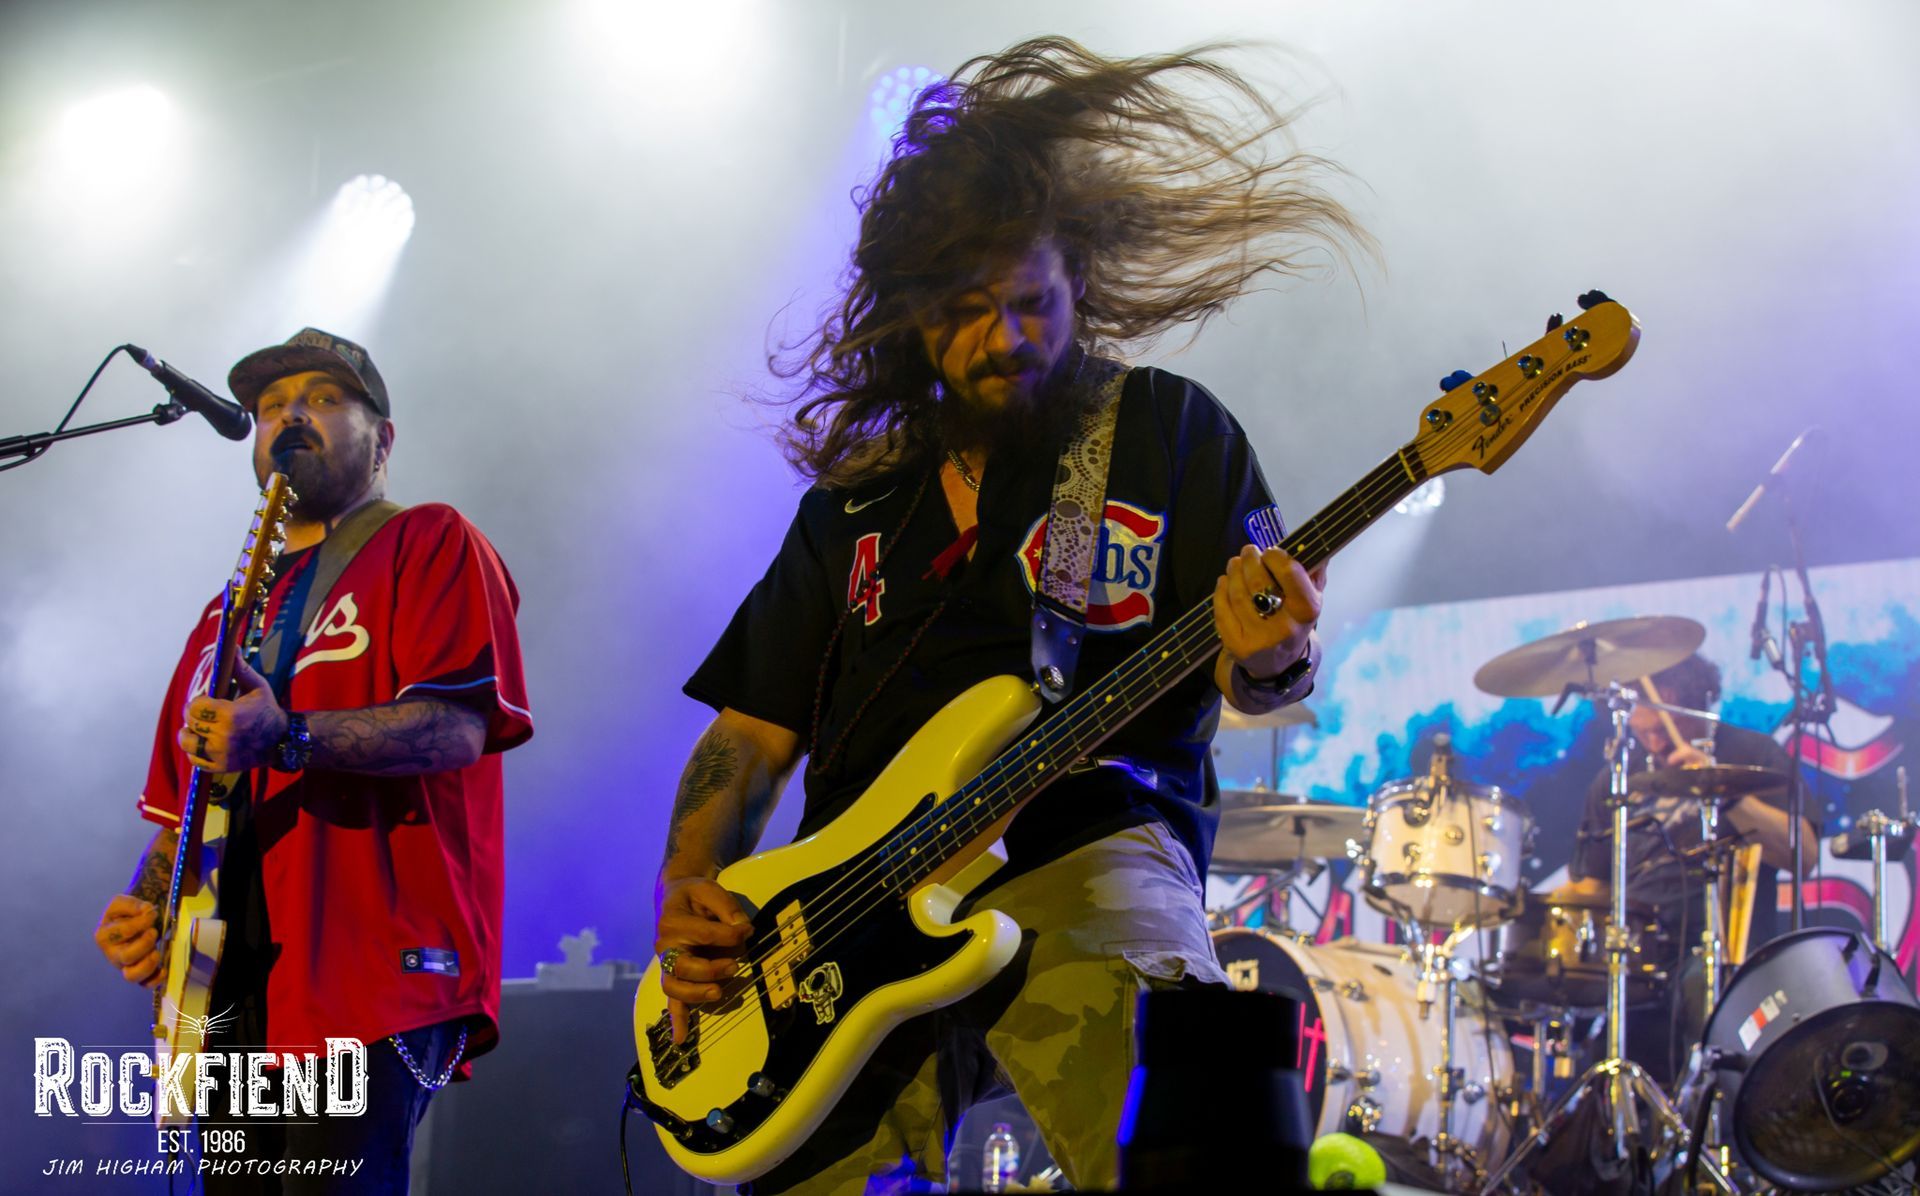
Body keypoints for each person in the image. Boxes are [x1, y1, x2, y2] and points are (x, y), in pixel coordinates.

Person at [651, 39, 1367, 1195]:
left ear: (1077, 278)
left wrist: (1275, 655)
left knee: (1189, 1127)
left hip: (1090, 845)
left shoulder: (1169, 429)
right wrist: (690, 890)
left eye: (1033, 303)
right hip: (845, 911)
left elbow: (1263, 662)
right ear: (912, 317)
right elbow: (749, 733)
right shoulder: (852, 504)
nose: (1007, 338)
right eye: (966, 311)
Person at [90, 328, 533, 1192]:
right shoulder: (219, 619)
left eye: (324, 398)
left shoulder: (431, 540)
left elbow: (456, 730)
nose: (291, 415)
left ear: (384, 439)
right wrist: (147, 906)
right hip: (230, 991)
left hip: (370, 976)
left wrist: (286, 735)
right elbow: (189, 811)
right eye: (270, 407)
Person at [1558, 651, 1814, 1082]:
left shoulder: (1752, 753)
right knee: (1595, 1043)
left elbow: (1802, 854)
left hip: (1725, 948)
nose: (1655, 744)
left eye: (1663, 729)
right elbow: (1592, 888)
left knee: (1701, 989)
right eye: (1643, 732)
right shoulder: (1615, 779)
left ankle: (1718, 1114)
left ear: (1693, 705)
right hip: (1638, 954)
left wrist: (1723, 792)